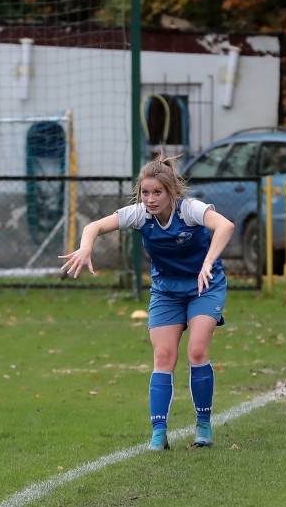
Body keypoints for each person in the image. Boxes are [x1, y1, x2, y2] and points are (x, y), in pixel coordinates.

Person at [59, 153, 235, 451]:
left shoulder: (190, 210)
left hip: (204, 285)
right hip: (166, 290)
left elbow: (226, 226)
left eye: (157, 192)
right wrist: (85, 247)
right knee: (164, 357)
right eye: (145, 193)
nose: (150, 199)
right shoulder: (139, 214)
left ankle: (203, 426)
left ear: (171, 192)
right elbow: (93, 227)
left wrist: (208, 262)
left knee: (196, 350)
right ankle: (158, 433)